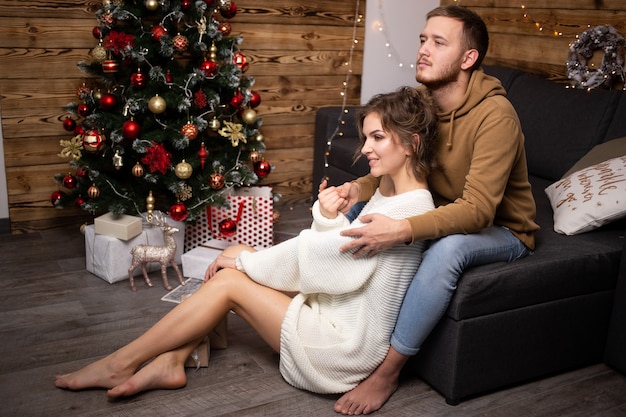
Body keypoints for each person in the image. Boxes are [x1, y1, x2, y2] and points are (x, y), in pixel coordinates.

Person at [54, 87, 439, 399]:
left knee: (232, 275)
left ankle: (122, 362)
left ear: (410, 143)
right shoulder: (389, 193)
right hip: (333, 311)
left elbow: (327, 266)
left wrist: (248, 262)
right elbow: (336, 265)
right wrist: (321, 222)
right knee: (238, 257)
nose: (366, 148)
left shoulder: (410, 209)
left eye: (377, 138)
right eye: (366, 137)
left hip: (342, 349)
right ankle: (173, 358)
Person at [333, 5, 539, 415]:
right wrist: (356, 189)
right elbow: (398, 161)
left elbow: (479, 211)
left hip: (504, 230)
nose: (423, 49)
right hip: (442, 209)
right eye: (423, 39)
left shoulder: (496, 116)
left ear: (468, 58)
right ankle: (328, 315)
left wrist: (402, 229)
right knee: (356, 214)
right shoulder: (422, 102)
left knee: (448, 250)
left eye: (438, 43)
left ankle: (387, 373)